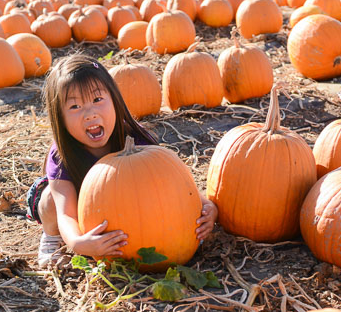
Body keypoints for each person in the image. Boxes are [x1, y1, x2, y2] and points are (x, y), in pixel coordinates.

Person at [26, 53, 218, 265]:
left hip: (113, 204)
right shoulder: (61, 155)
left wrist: (206, 206)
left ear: (114, 100)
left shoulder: (135, 138)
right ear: (59, 117)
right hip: (74, 198)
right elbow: (66, 215)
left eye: (97, 100)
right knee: (50, 200)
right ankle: (51, 239)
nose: (90, 114)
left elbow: (171, 181)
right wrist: (78, 243)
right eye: (75, 107)